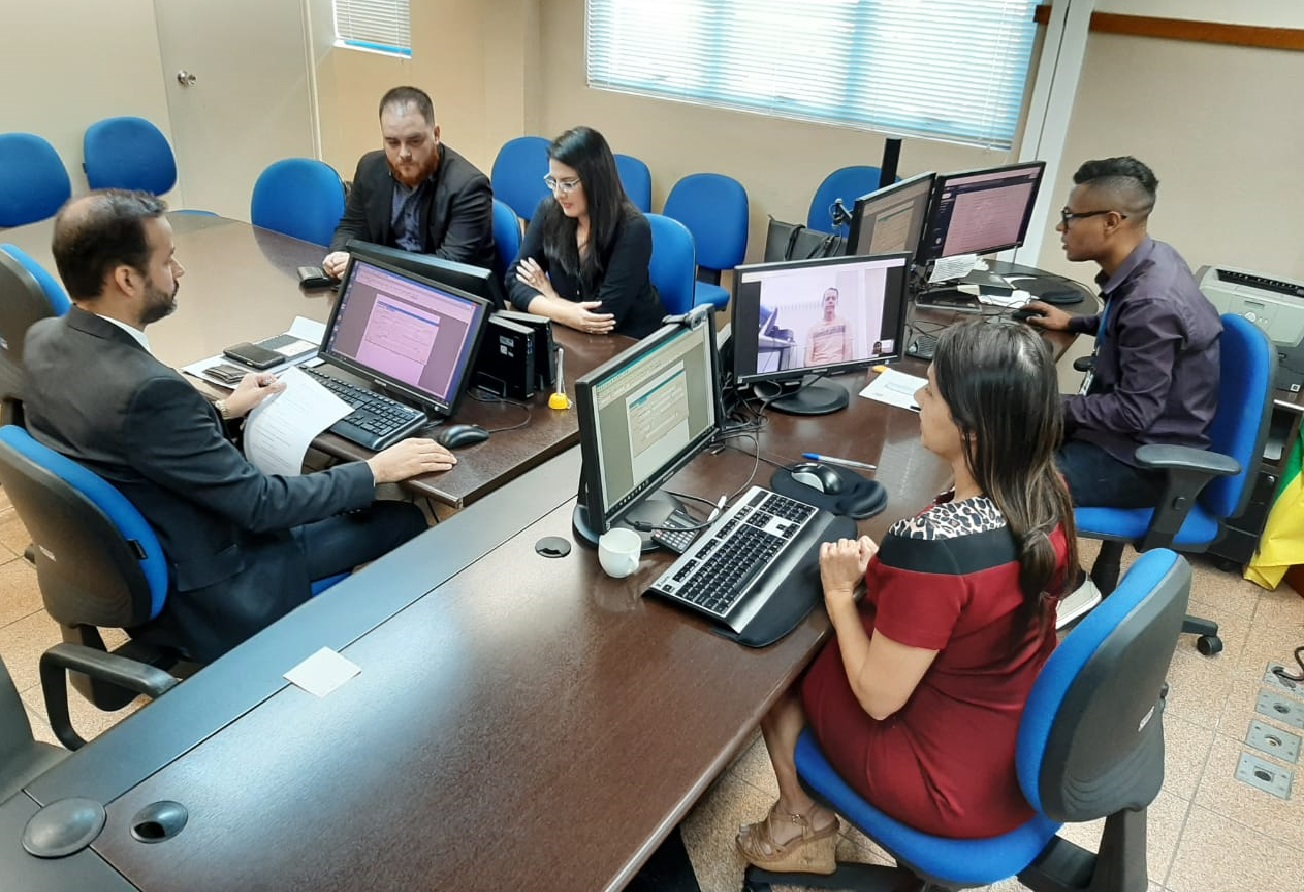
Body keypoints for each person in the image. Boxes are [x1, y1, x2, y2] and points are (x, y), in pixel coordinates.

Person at [24, 191, 458, 664]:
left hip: (141, 555)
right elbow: (263, 505)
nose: (179, 272)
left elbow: (121, 434)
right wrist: (375, 469)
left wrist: (224, 410)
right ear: (126, 279)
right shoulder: (150, 392)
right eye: (168, 260)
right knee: (405, 516)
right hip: (220, 585)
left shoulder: (42, 339)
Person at [736, 321, 1076, 874]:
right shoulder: (1046, 490)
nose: (918, 397)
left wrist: (842, 593)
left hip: (951, 791)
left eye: (932, 392)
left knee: (777, 659)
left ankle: (799, 822)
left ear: (972, 428)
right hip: (1007, 744)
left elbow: (876, 698)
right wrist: (899, 583)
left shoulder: (935, 548)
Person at [1023, 156, 1221, 510]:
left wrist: (1042, 403)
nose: (1060, 227)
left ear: (1111, 222)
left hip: (1143, 461)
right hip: (1128, 435)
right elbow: (1133, 326)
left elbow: (1133, 411)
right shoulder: (1156, 259)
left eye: (1069, 217)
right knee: (995, 438)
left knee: (1008, 485)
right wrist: (1075, 322)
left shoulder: (1153, 302)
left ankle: (1048, 565)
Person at [506, 126, 666, 339]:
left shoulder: (632, 229)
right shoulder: (549, 211)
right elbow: (513, 280)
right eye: (553, 181)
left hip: (629, 341)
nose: (558, 194)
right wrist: (566, 314)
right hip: (574, 336)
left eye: (568, 184)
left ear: (596, 180)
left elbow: (605, 318)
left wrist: (552, 299)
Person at [322, 86, 496, 281]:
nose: (404, 154)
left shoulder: (468, 186)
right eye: (393, 143)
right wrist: (337, 257)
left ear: (436, 134)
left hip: (451, 295)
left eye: (414, 141)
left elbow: (450, 265)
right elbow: (351, 227)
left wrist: (368, 267)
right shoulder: (370, 168)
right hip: (387, 285)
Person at [803, 287, 853, 366]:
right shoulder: (813, 329)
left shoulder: (844, 324)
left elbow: (848, 356)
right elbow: (807, 362)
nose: (830, 301)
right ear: (822, 303)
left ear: (836, 302)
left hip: (838, 371)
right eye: (827, 299)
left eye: (833, 298)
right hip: (817, 372)